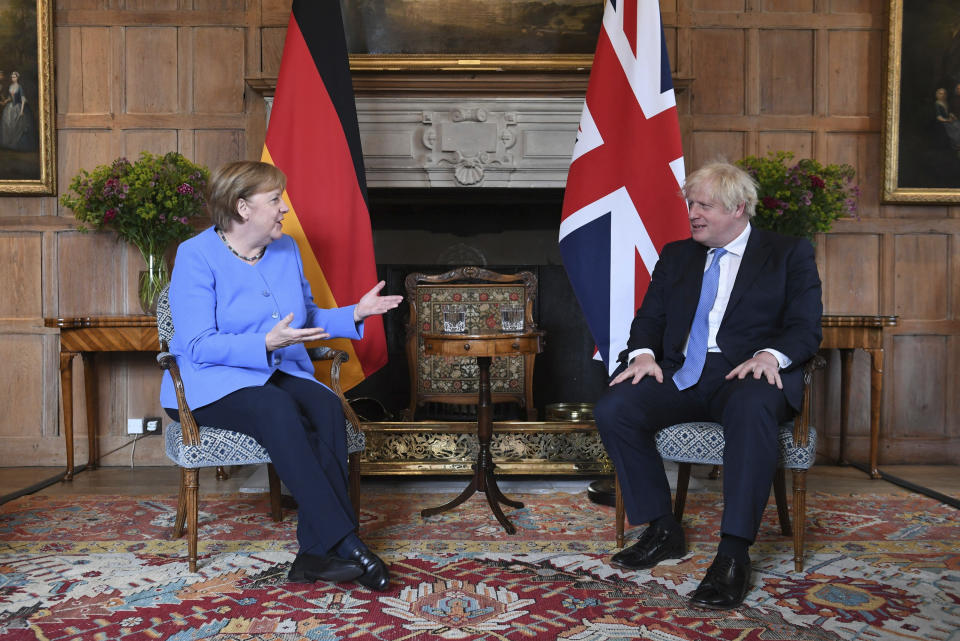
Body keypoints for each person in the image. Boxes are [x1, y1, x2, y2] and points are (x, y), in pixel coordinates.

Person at [160, 160, 402, 590]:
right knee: (278, 408)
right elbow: (196, 344)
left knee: (327, 406)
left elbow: (304, 318)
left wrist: (356, 314)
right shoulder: (196, 255)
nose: (284, 209)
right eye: (274, 200)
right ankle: (346, 543)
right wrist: (263, 344)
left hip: (275, 369)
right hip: (211, 381)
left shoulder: (286, 249)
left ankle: (312, 555)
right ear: (242, 208)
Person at [594, 161, 822, 610]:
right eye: (690, 204)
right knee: (616, 407)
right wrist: (642, 354)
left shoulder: (788, 252)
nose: (693, 214)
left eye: (704, 206)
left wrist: (768, 357)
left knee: (752, 407)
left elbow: (805, 327)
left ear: (739, 209)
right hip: (683, 373)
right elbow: (650, 319)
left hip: (747, 374)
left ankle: (733, 554)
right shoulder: (677, 255)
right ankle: (663, 529)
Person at [0, 71, 36, 151]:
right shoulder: (10, 86)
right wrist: (5, 101)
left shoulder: (19, 87)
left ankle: (17, 146)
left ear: (17, 78)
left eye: (15, 77)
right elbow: (10, 97)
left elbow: (23, 98)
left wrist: (22, 110)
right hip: (10, 107)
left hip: (19, 106)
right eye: (12, 77)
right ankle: (10, 144)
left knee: (19, 125)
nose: (13, 78)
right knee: (8, 123)